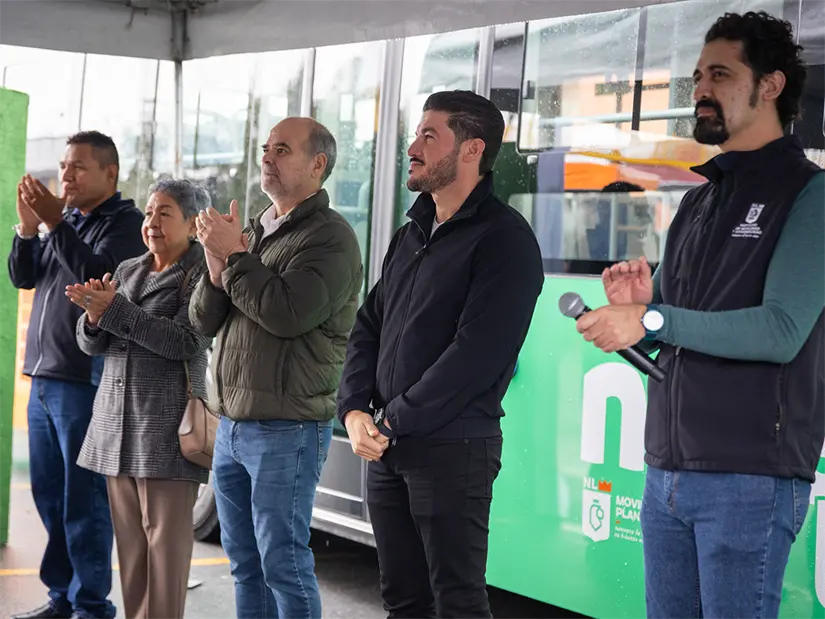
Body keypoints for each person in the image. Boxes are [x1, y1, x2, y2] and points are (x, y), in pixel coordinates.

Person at [573, 11, 825, 619]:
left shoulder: (811, 194)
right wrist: (642, 307)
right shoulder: (697, 200)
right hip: (665, 473)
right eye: (696, 76)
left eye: (720, 73)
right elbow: (668, 332)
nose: (701, 90)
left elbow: (782, 330)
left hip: (750, 479)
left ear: (770, 86)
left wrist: (653, 321)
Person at [336, 90, 544, 619]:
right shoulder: (411, 233)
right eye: (416, 133)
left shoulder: (506, 240)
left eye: (430, 136)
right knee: (403, 601)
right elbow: (368, 325)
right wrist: (355, 410)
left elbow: (475, 356)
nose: (412, 146)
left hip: (453, 452)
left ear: (472, 149)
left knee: (458, 603)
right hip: (387, 447)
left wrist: (390, 419)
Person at [188, 117, 363, 619]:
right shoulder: (255, 230)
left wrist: (236, 257)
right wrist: (215, 263)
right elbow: (203, 319)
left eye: (282, 149)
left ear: (317, 165)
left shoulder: (331, 239)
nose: (267, 156)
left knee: (283, 564)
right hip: (233, 428)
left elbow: (288, 313)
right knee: (244, 563)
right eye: (267, 147)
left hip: (286, 429)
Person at [8, 131, 145, 619]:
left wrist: (51, 223)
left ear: (110, 173)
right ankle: (62, 597)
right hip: (44, 381)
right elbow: (26, 277)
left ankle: (92, 605)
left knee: (84, 501)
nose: (65, 175)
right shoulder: (64, 220)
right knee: (49, 495)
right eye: (64, 166)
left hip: (84, 382)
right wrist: (28, 230)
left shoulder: (125, 225)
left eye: (79, 167)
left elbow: (96, 275)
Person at [67, 179, 212, 619]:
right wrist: (93, 319)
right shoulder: (129, 269)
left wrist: (113, 311)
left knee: (165, 556)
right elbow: (95, 344)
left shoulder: (203, 273)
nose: (151, 222)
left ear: (192, 223)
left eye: (164, 213)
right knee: (131, 553)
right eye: (149, 212)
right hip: (116, 427)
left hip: (166, 431)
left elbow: (186, 341)